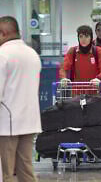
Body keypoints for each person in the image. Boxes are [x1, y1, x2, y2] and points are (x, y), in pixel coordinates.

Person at [0, 16, 42, 182]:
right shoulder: (32, 54)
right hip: (30, 120)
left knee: (7, 172)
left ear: (3, 33)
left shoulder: (3, 55)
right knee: (26, 169)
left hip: (7, 122)